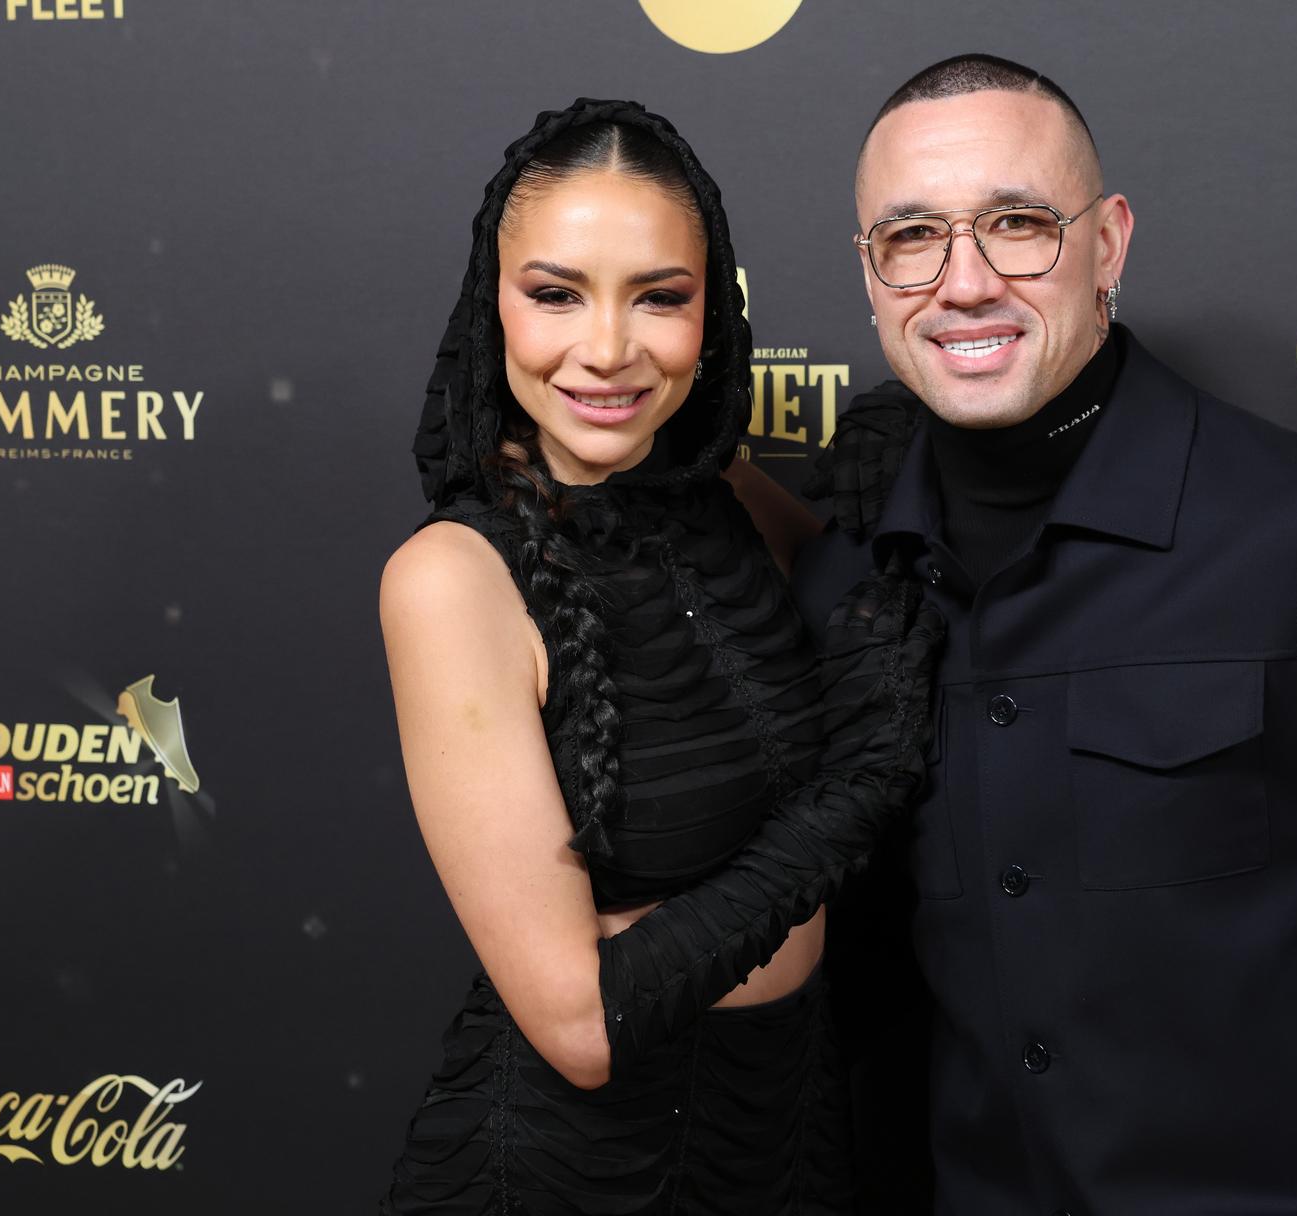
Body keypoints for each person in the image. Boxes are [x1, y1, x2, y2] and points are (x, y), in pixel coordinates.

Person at [795, 55, 1297, 1215]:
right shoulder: (848, 577)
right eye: (912, 237)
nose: (964, 282)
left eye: (1018, 225)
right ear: (871, 275)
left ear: (1108, 243)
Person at [375, 98, 942, 1215]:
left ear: (710, 313)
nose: (607, 349)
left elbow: (874, 609)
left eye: (660, 297)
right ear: (492, 305)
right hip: (579, 1171)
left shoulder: (722, 492)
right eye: (556, 293)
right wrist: (851, 802)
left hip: (787, 1133)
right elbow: (582, 1021)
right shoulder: (451, 579)